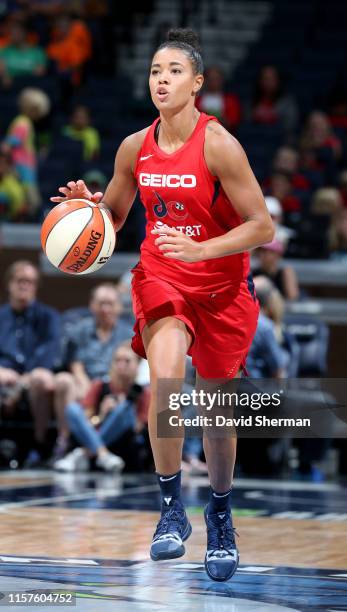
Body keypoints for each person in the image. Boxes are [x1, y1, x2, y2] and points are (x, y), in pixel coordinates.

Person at [50, 27, 274, 582]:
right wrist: (90, 212)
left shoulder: (220, 144)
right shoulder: (134, 147)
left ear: (196, 83)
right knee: (167, 379)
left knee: (218, 413)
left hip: (222, 287)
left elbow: (262, 225)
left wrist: (202, 248)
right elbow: (118, 218)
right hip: (162, 273)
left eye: (174, 71)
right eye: (155, 71)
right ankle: (171, 509)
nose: (162, 79)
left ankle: (219, 513)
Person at [0, 260, 67, 464]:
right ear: (9, 284)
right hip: (4, 377)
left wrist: (24, 379)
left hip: (35, 378)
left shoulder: (49, 317)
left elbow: (49, 354)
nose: (24, 286)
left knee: (41, 378)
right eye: (20, 280)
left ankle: (39, 446)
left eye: (30, 282)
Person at [54, 342, 150, 473]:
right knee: (72, 409)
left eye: (127, 361)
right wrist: (102, 414)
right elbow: (86, 422)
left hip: (124, 441)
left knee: (125, 408)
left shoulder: (143, 392)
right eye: (117, 360)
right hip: (96, 433)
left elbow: (138, 428)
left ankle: (85, 453)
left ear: (137, 365)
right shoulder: (99, 386)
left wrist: (121, 410)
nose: (121, 365)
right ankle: (102, 454)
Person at [2, 87, 50, 216]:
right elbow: (10, 143)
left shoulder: (23, 121)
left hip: (25, 164)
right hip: (22, 165)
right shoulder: (23, 122)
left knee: (27, 196)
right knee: (31, 198)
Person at [0, 20, 47, 88]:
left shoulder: (37, 52)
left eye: (17, 32)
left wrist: (14, 74)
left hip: (31, 85)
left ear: (24, 33)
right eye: (12, 33)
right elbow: (2, 70)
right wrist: (6, 76)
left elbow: (39, 72)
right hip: (11, 86)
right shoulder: (5, 51)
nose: (13, 35)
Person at [196, 65, 241, 131]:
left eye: (217, 79)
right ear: (204, 81)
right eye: (211, 79)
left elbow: (234, 121)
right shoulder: (196, 100)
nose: (214, 82)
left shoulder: (231, 100)